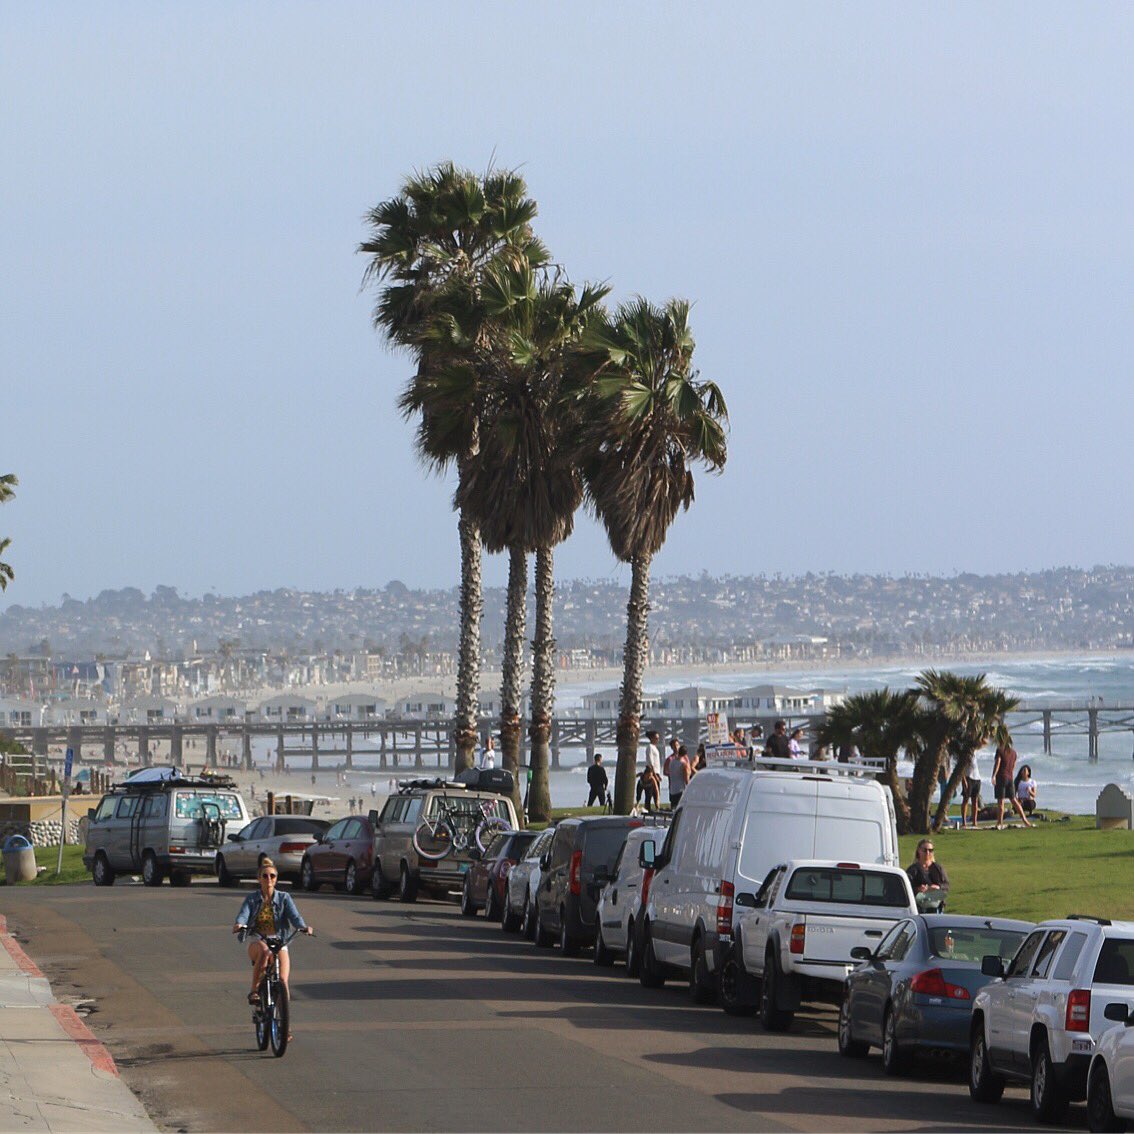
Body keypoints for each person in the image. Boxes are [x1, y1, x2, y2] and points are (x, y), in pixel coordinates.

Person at [232, 858, 313, 1017]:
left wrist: (303, 927)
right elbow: (243, 915)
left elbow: (295, 917)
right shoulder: (252, 899)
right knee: (264, 951)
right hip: (258, 940)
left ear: (276, 879)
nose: (269, 879)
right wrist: (240, 924)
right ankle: (254, 991)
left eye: (272, 876)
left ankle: (284, 1024)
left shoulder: (284, 898)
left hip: (279, 941)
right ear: (259, 879)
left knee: (283, 981)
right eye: (265, 876)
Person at [992, 735, 1033, 829]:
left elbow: (998, 763)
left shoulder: (1000, 750)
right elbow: (1013, 766)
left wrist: (994, 775)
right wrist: (1009, 773)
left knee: (1001, 802)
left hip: (1001, 777)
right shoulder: (1014, 753)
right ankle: (1025, 820)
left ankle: (999, 823)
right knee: (1013, 800)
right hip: (1009, 778)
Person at [906, 838, 949, 909]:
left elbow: (946, 884)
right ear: (919, 851)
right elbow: (906, 887)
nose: (928, 853)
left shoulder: (938, 868)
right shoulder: (913, 869)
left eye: (930, 850)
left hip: (937, 906)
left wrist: (938, 887)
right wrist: (918, 889)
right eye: (925, 850)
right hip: (919, 907)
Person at [960, 748, 983, 828]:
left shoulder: (975, 752)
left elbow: (982, 743)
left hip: (977, 778)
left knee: (975, 800)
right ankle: (964, 822)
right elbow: (961, 767)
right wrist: (964, 780)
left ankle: (974, 821)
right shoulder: (965, 753)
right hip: (968, 777)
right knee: (965, 800)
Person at [664, 743, 691, 809]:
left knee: (674, 809)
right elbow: (686, 780)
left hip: (672, 790)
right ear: (685, 754)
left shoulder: (671, 761)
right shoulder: (683, 764)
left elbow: (668, 773)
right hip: (680, 790)